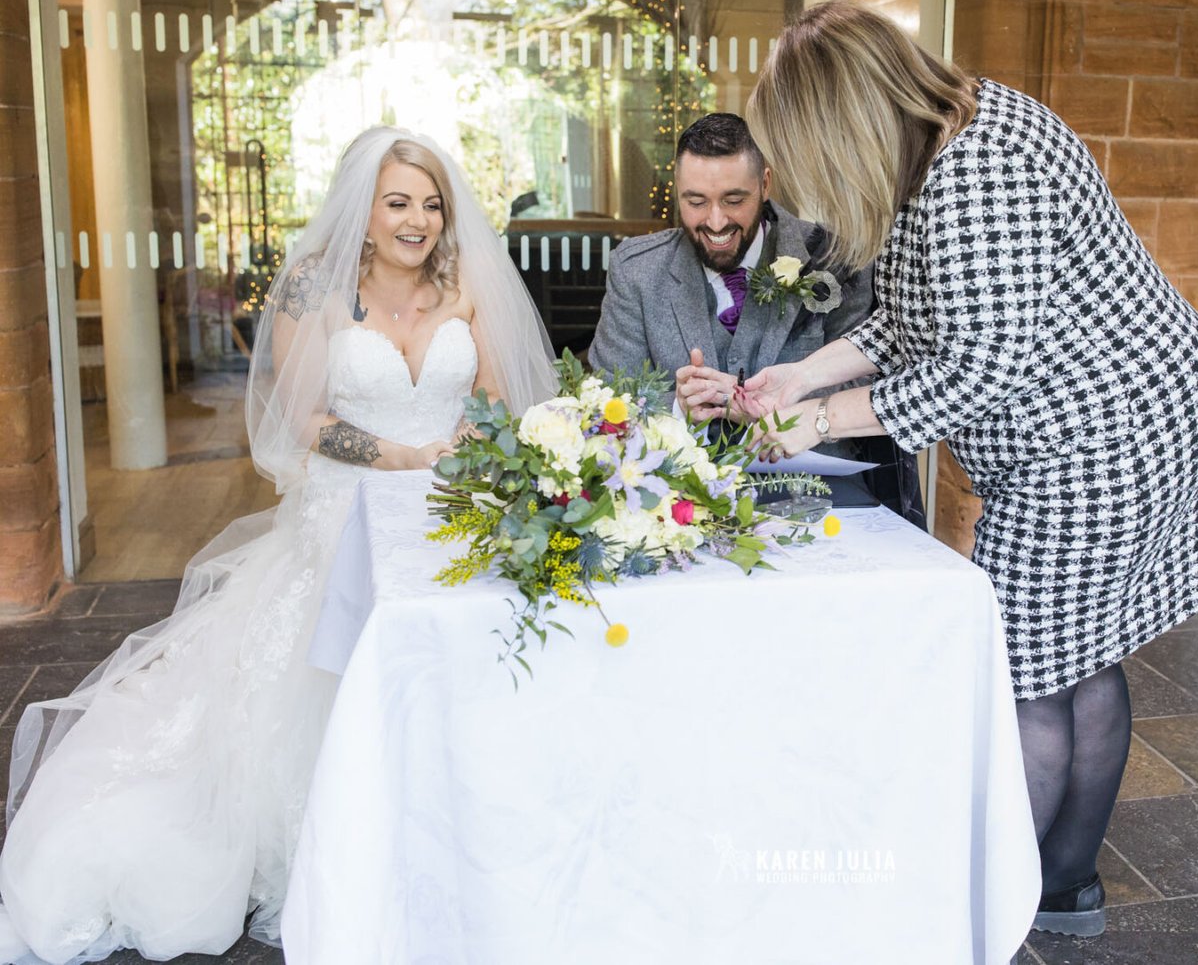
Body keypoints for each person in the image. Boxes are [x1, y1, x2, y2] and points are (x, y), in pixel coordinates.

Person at [737, 0, 1198, 938]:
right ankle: (1063, 881)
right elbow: (923, 319)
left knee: (1032, 665)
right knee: (1071, 648)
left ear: (844, 120)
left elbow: (981, 365)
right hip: (1094, 413)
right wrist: (804, 371)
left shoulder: (978, 173)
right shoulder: (949, 135)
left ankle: (1038, 890)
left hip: (1108, 429)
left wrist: (819, 421)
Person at [0, 128, 558, 964]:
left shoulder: (469, 281)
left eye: (432, 203)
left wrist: (470, 448)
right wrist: (402, 457)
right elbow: (304, 420)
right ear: (363, 212)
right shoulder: (312, 285)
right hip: (347, 499)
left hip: (449, 498)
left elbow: (492, 397)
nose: (418, 221)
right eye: (398, 202)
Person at [588, 113, 920, 519]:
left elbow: (872, 377)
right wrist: (678, 410)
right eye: (695, 202)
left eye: (733, 200)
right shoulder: (636, 269)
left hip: (820, 506)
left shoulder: (837, 259)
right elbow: (606, 401)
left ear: (764, 183)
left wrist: (777, 406)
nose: (715, 222)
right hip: (674, 513)